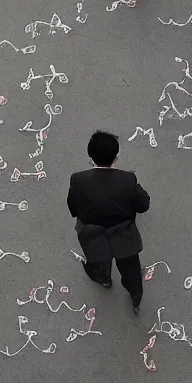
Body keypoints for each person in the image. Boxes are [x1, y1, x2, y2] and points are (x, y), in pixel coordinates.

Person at [66, 131, 151, 314]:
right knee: (131, 270)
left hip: (93, 235)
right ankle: (135, 296)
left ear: (91, 157)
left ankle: (103, 278)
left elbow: (72, 206)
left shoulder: (78, 180)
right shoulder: (127, 180)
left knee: (98, 261)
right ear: (116, 156)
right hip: (124, 237)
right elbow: (143, 205)